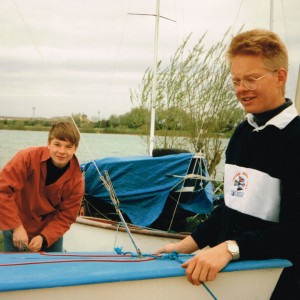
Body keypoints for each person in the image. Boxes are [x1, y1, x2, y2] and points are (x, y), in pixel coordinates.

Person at [156, 29, 300, 299]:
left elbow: (295, 233)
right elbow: (230, 208)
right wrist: (188, 244)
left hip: (278, 287)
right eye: (235, 80)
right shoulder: (241, 134)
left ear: (280, 77)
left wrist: (230, 249)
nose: (241, 89)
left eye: (251, 79)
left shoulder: (295, 140)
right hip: (230, 283)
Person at [0, 121, 84, 252]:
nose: (62, 151)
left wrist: (44, 237)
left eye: (68, 147)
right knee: (12, 270)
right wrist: (16, 227)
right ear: (49, 143)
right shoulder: (26, 158)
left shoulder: (77, 181)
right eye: (57, 144)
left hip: (50, 233)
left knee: (51, 272)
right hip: (16, 225)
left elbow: (67, 216)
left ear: (75, 148)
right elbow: (2, 191)